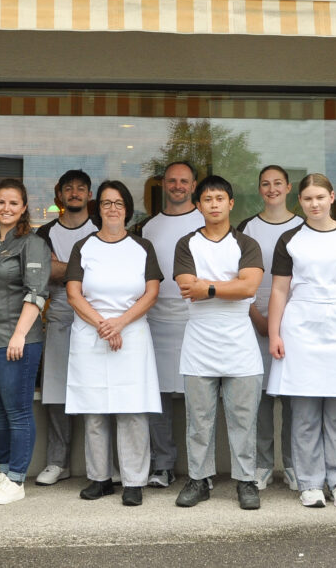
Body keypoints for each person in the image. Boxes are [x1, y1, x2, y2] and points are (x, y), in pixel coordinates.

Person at [267, 173, 336, 510]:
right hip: (301, 328)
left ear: (331, 197)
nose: (314, 204)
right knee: (304, 414)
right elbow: (279, 289)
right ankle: (311, 483)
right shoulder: (290, 239)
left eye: (319, 197)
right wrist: (274, 333)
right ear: (299, 202)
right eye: (307, 199)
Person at [65, 180, 161, 507]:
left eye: (118, 203)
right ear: (98, 208)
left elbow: (151, 293)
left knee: (132, 410)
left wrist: (119, 322)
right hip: (91, 333)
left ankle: (134, 481)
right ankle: (100, 478)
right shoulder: (84, 247)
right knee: (94, 411)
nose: (112, 209)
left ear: (127, 209)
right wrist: (103, 324)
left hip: (131, 333)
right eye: (106, 203)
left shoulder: (142, 247)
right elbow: (73, 294)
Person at [173, 175, 265, 511]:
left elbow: (249, 288)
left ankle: (246, 481)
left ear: (231, 203)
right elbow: (187, 287)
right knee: (199, 419)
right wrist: (229, 285)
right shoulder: (187, 244)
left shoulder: (245, 244)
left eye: (219, 198)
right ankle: (199, 480)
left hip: (240, 338)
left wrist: (209, 288)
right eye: (207, 199)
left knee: (243, 418)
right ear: (198, 205)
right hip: (199, 339)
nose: (213, 204)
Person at [0, 179, 51, 505]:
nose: (6, 208)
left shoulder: (32, 244)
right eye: (1, 202)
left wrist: (18, 334)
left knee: (17, 412)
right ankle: (3, 472)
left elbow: (37, 293)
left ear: (23, 208)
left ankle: (17, 479)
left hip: (17, 341)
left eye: (13, 203)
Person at [135, 161, 204, 489]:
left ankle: (198, 469)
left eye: (184, 181)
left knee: (198, 400)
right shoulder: (148, 227)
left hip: (197, 322)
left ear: (193, 186)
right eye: (172, 181)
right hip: (157, 322)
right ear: (164, 184)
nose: (178, 186)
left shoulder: (207, 221)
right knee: (158, 400)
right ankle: (163, 465)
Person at [238, 165, 301, 492]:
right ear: (260, 189)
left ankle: (292, 465)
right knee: (260, 398)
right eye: (266, 184)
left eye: (278, 183)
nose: (272, 188)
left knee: (291, 397)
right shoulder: (247, 228)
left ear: (288, 187)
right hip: (255, 320)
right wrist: (258, 317)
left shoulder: (304, 227)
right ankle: (263, 465)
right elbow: (237, 279)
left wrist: (283, 322)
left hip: (295, 323)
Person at [35, 170, 97, 485]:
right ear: (59, 195)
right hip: (58, 314)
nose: (74, 193)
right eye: (68, 189)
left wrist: (62, 267)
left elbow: (107, 274)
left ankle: (100, 464)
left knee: (97, 388)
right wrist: (85, 267)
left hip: (99, 317)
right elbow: (41, 272)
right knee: (57, 390)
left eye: (80, 188)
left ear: (89, 194)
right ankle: (58, 462)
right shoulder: (43, 233)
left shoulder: (102, 230)